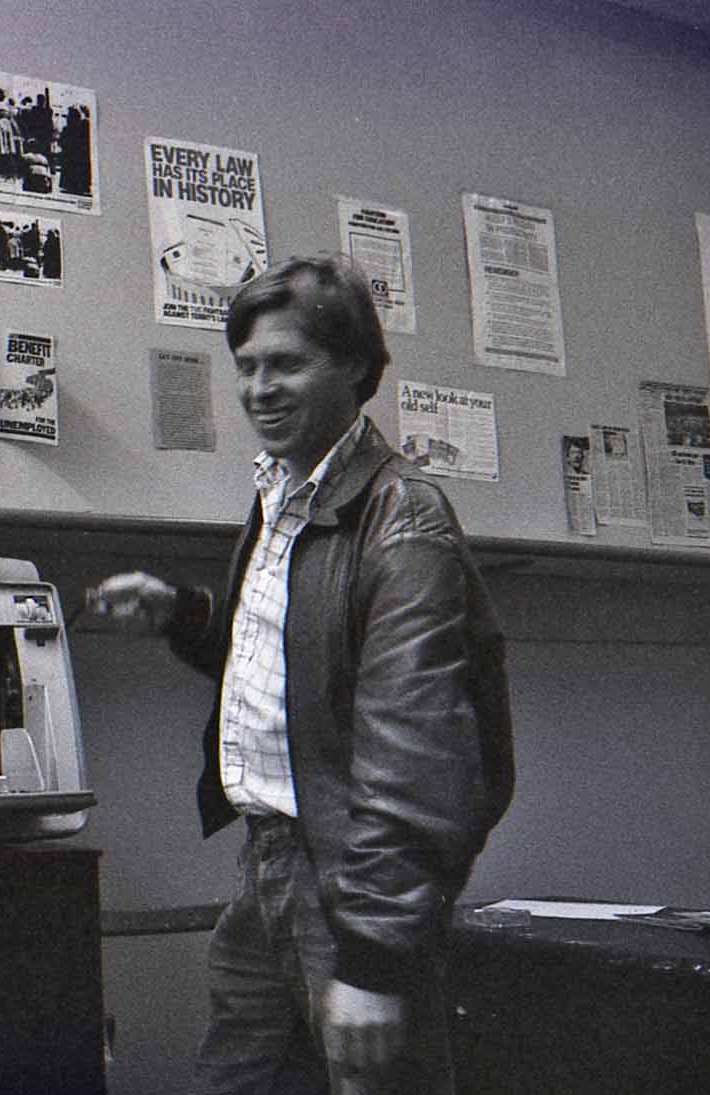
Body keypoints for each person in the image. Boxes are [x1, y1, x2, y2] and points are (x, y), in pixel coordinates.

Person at [91, 254, 514, 1095]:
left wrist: (374, 954)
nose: (259, 388)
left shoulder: (402, 519)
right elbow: (299, 671)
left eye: (286, 363)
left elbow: (417, 751)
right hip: (268, 871)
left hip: (350, 890)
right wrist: (184, 613)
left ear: (355, 365)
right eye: (246, 366)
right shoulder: (286, 496)